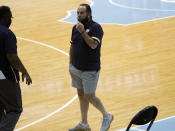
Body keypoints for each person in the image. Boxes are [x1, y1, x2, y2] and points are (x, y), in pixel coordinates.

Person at [69, 3, 113, 131]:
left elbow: (93, 45)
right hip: (76, 68)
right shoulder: (74, 28)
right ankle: (84, 124)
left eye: (81, 13)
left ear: (88, 14)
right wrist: (70, 63)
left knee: (90, 95)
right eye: (77, 13)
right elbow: (72, 45)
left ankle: (106, 115)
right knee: (81, 94)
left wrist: (83, 31)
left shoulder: (96, 28)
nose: (78, 15)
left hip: (90, 69)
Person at [0, 6, 32, 131]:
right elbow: (12, 57)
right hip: (5, 76)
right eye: (10, 17)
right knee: (15, 109)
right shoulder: (7, 34)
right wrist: (24, 72)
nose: (11, 20)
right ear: (4, 17)